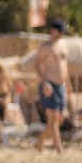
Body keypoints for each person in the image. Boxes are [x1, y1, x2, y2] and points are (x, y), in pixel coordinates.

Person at [31, 19, 71, 152]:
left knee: (59, 118)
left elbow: (65, 67)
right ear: (53, 30)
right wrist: (44, 82)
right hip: (49, 84)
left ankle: (40, 142)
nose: (61, 34)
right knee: (53, 118)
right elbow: (36, 65)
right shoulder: (45, 47)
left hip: (61, 85)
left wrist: (68, 85)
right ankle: (59, 148)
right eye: (59, 31)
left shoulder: (63, 45)